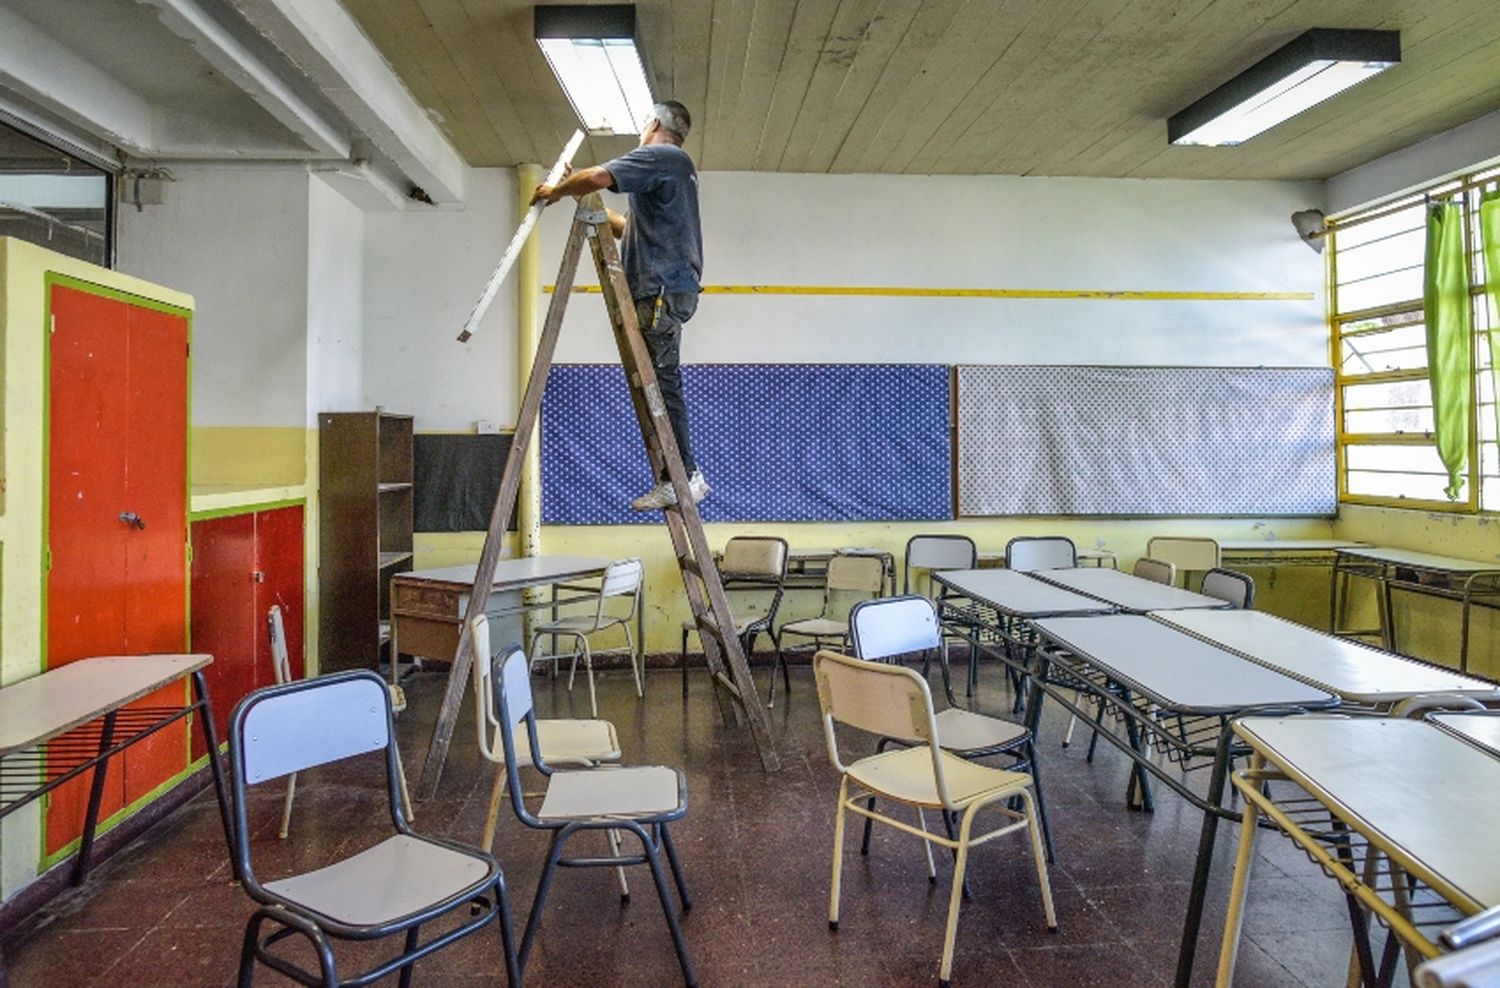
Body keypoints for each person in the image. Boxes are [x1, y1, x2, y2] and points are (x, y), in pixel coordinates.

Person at [531, 100, 707, 512]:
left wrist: (558, 191)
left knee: (662, 385)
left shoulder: (662, 155)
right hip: (669, 287)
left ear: (653, 124)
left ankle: (686, 478)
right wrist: (584, 200)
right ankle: (677, 477)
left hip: (661, 289)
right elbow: (630, 229)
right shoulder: (675, 170)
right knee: (658, 386)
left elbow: (599, 175)